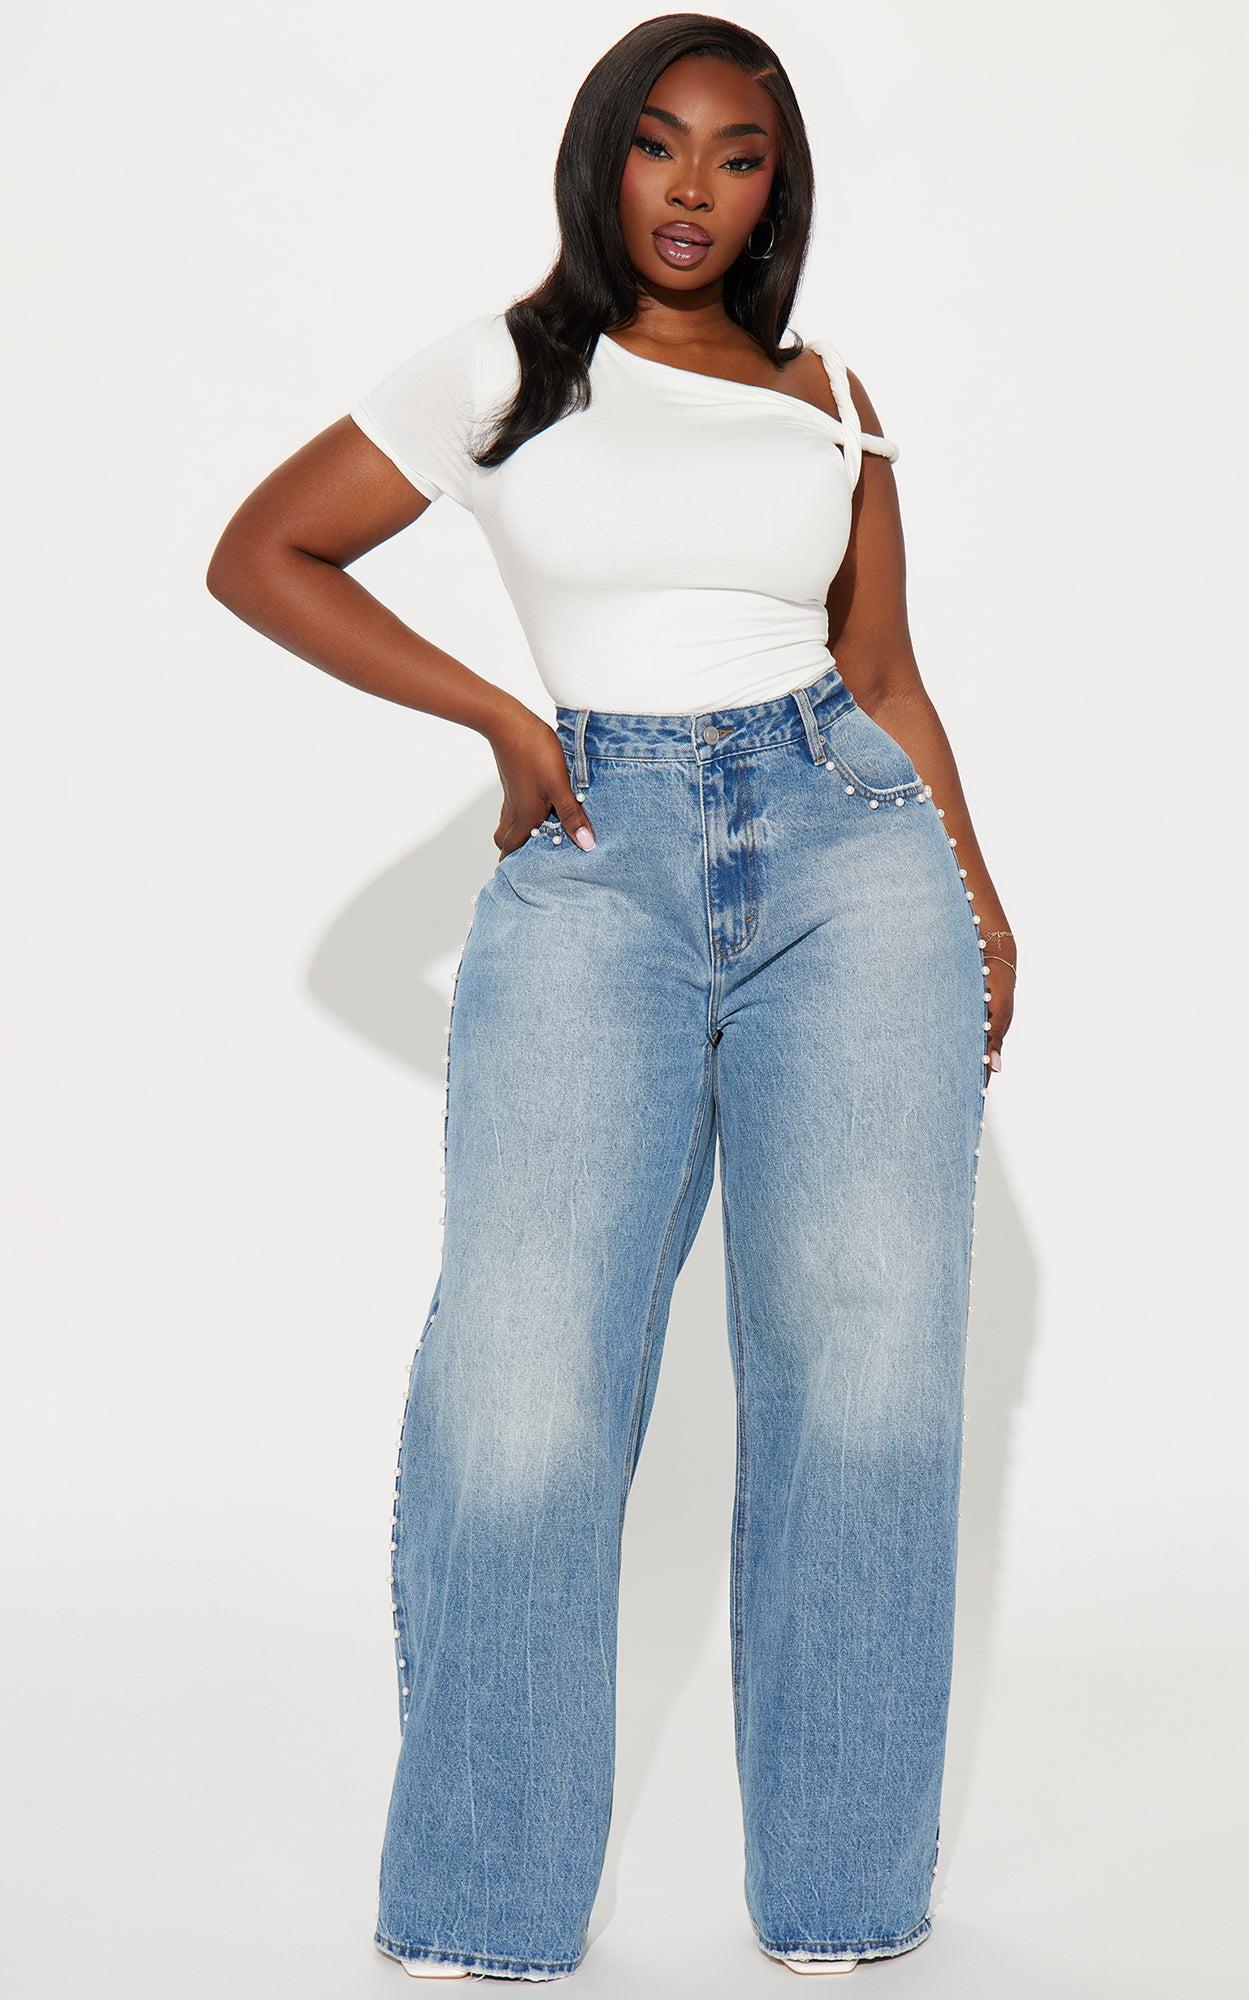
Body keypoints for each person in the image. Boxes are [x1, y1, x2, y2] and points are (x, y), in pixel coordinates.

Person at [206, 14, 1016, 1984]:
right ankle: (487, 1898)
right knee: (525, 1381)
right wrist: (500, 716)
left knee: (867, 1383)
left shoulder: (831, 398)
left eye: (737, 156)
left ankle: (842, 1894)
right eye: (659, 144)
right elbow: (264, 553)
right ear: (603, 159)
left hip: (853, 858)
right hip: (594, 854)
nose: (691, 187)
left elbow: (882, 677)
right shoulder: (506, 365)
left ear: (776, 189)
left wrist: (976, 894)